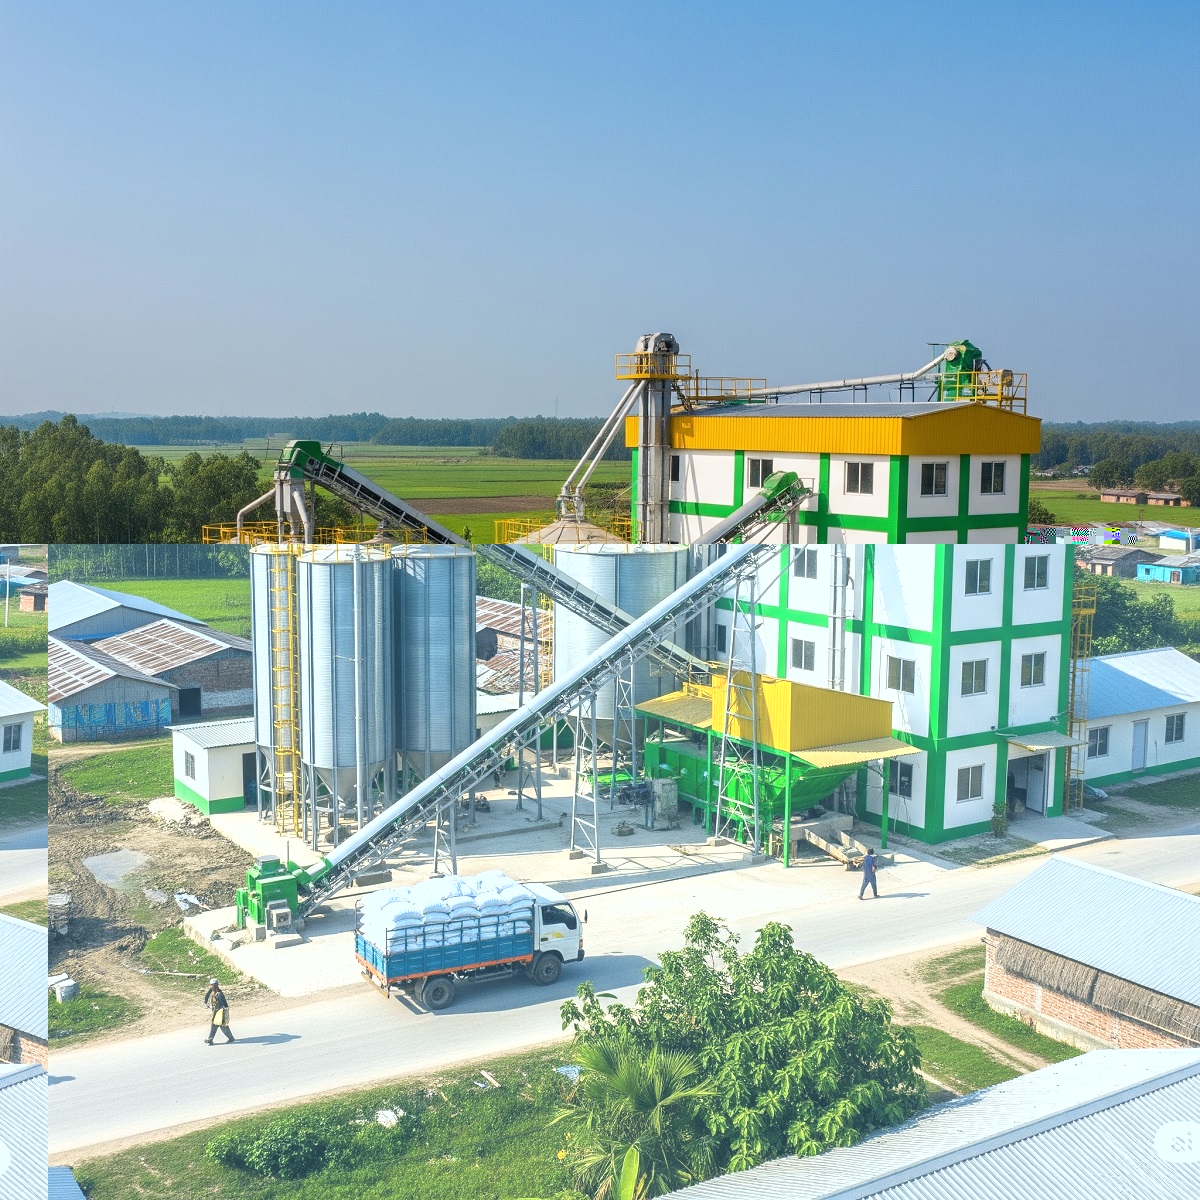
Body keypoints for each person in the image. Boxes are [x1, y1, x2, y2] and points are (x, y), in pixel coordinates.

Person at [203, 978, 235, 1044]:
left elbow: (225, 1005)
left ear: (217, 985)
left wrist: (223, 1014)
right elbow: (206, 999)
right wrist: (209, 991)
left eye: (214, 985)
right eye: (212, 985)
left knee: (217, 1025)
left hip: (220, 1012)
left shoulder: (219, 994)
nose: (213, 987)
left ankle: (210, 1039)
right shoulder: (213, 993)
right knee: (219, 1025)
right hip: (216, 1012)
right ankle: (230, 1038)